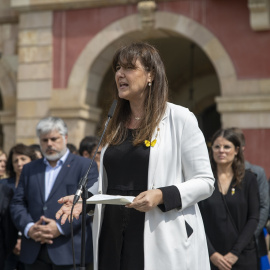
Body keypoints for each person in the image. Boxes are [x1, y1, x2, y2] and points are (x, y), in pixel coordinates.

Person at [56, 42, 215, 270]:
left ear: (151, 75)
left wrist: (161, 194)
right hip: (111, 234)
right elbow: (112, 182)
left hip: (159, 232)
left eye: (129, 67)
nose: (120, 73)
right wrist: (85, 200)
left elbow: (205, 182)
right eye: (118, 68)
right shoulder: (115, 123)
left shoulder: (180, 119)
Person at [10, 117, 99, 269]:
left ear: (65, 138)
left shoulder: (84, 165)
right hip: (34, 251)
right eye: (44, 140)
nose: (49, 144)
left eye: (54, 139)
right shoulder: (29, 169)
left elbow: (88, 202)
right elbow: (18, 203)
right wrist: (29, 228)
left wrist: (59, 228)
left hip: (69, 251)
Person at [199, 128, 260, 270]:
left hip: (242, 256)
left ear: (237, 150)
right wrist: (212, 254)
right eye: (217, 146)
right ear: (211, 149)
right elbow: (195, 218)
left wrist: (234, 253)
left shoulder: (249, 179)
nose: (221, 151)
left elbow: (253, 218)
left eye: (227, 146)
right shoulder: (202, 181)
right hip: (210, 259)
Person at [231, 127, 270, 269]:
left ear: (241, 148)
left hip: (253, 242)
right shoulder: (214, 176)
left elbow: (264, 207)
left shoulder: (257, 173)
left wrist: (248, 238)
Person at [1, 143, 38, 270]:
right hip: (5, 245)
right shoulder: (3, 185)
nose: (19, 163)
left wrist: (22, 239)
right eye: (15, 160)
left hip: (32, 241)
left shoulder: (39, 185)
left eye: (23, 159)